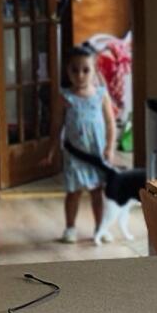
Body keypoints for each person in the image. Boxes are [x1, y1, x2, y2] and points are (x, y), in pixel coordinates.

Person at [58, 44, 123, 243]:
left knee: (97, 193)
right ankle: (70, 227)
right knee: (73, 192)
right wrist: (52, 151)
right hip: (74, 154)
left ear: (94, 71)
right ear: (67, 71)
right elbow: (56, 125)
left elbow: (111, 124)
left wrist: (109, 148)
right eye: (74, 70)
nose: (80, 75)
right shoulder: (66, 97)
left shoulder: (100, 95)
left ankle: (99, 228)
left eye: (86, 70)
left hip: (96, 154)